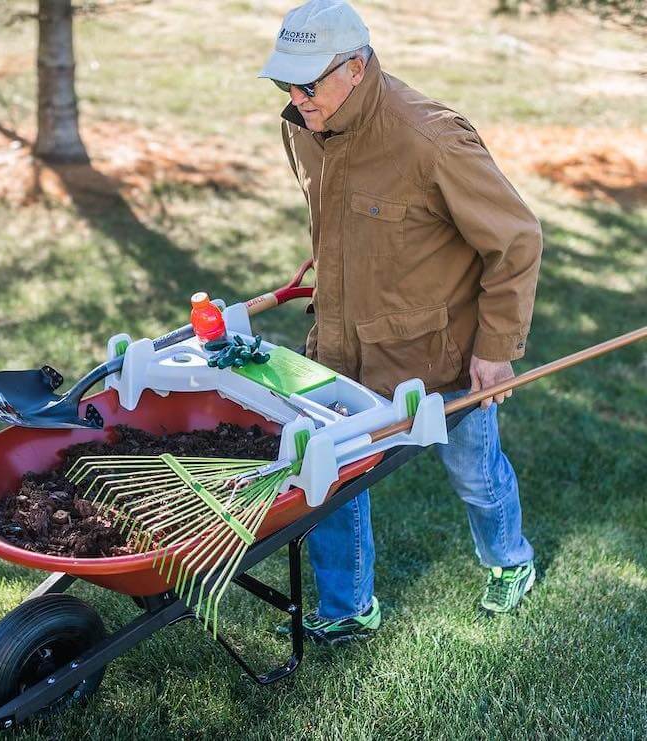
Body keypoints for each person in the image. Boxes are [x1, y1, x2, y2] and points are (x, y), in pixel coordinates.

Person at [260, 0, 543, 644]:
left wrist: (495, 350)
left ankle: (509, 562)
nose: (297, 97)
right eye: (286, 82)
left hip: (436, 356)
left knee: (474, 469)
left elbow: (516, 240)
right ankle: (347, 607)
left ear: (355, 68)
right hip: (339, 346)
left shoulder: (431, 138)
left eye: (309, 83)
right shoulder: (305, 125)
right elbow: (340, 214)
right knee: (327, 477)